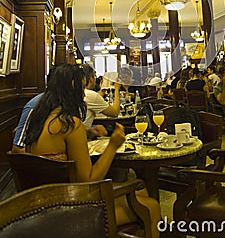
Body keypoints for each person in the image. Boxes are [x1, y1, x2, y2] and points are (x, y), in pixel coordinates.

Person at [24, 63, 161, 236]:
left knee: (139, 190)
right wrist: (113, 145)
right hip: (69, 214)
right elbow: (88, 180)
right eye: (82, 88)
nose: (83, 94)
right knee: (151, 206)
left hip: (41, 206)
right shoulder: (69, 124)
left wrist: (87, 132)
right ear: (72, 89)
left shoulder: (39, 119)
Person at [83, 64, 120, 129]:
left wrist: (102, 91)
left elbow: (93, 101)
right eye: (95, 76)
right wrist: (117, 89)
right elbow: (115, 112)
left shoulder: (82, 92)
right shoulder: (90, 95)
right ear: (91, 79)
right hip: (83, 136)